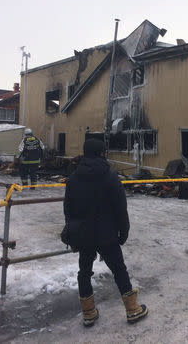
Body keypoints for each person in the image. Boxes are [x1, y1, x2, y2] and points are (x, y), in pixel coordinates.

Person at [63, 138, 148, 327]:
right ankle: (132, 309)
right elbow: (120, 207)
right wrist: (123, 231)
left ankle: (88, 313)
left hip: (84, 235)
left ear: (85, 153)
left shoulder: (74, 177)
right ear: (102, 153)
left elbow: (68, 209)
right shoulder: (110, 176)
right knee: (119, 269)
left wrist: (73, 230)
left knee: (84, 272)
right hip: (107, 234)